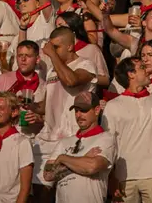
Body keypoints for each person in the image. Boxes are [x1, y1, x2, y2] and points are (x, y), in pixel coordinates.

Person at [102, 57, 152, 203]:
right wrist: (111, 178)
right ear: (131, 74)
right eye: (142, 67)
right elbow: (108, 145)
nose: (147, 69)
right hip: (123, 178)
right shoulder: (113, 106)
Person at [33, 27, 97, 196]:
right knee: (41, 190)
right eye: (51, 47)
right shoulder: (53, 70)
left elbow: (71, 81)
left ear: (70, 46)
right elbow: (46, 105)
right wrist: (30, 105)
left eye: (56, 47)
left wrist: (52, 55)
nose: (52, 51)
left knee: (68, 192)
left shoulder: (85, 64)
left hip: (72, 138)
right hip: (48, 137)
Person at [43, 90, 117, 203]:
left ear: (97, 110)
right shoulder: (64, 142)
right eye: (76, 111)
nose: (78, 115)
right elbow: (48, 175)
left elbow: (91, 167)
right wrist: (83, 158)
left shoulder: (106, 138)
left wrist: (63, 158)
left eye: (84, 110)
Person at [0, 41, 45, 137]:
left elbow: (49, 117)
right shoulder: (3, 79)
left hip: (31, 140)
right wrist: (8, 105)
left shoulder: (44, 85)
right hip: (2, 137)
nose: (23, 59)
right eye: (20, 55)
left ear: (37, 59)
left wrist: (39, 119)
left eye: (28, 56)